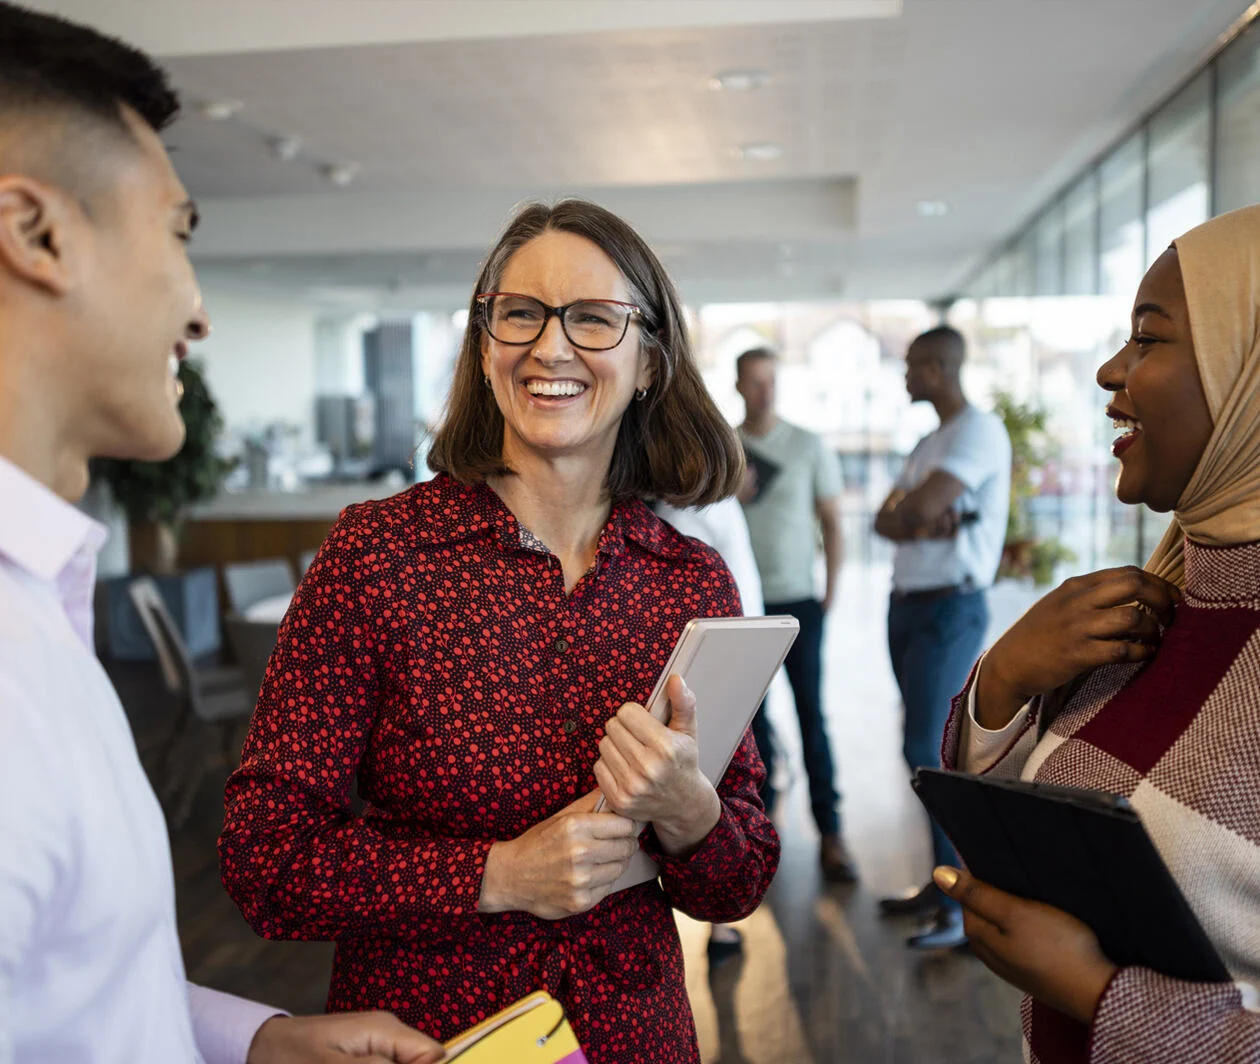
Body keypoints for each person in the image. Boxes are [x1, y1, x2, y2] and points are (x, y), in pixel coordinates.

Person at [219, 200, 781, 1064]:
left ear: (648, 363)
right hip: (431, 1038)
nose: (550, 348)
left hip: (636, 1035)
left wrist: (690, 811)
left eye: (594, 319)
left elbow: (739, 881)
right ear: (485, 348)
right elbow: (266, 861)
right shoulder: (377, 555)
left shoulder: (690, 580)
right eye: (520, 313)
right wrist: (497, 875)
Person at [0, 5, 444, 1063]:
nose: (200, 314)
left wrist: (256, 1037)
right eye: (178, 231)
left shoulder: (42, 598)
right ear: (37, 233)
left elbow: (74, 987)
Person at [932, 205, 1260, 1062]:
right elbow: (1023, 828)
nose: (1112, 371)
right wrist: (1005, 678)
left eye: (1149, 341)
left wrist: (1095, 994)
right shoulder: (1162, 597)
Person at [873, 326, 1011, 949]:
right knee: (922, 747)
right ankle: (943, 881)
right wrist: (912, 515)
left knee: (930, 747)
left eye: (910, 365)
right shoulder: (931, 441)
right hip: (907, 606)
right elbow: (887, 518)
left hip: (949, 608)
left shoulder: (978, 430)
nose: (904, 376)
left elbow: (918, 512)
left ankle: (963, 906)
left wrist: (915, 515)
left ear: (937, 367)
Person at [735, 347, 856, 882]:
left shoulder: (808, 446)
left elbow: (831, 519)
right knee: (750, 726)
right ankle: (758, 837)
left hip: (798, 600)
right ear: (739, 386)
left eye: (772, 382)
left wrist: (830, 590)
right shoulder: (725, 448)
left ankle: (831, 834)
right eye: (755, 382)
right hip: (740, 607)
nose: (765, 391)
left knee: (812, 715)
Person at [654, 493, 771, 963]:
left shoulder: (706, 518)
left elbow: (742, 591)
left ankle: (723, 929)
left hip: (722, 662)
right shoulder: (657, 513)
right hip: (698, 665)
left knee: (725, 786)